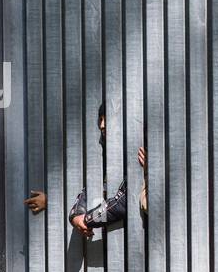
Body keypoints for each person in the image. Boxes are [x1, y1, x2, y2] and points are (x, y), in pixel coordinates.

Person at [22, 102, 147, 238]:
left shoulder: (142, 152)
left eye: (107, 119)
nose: (102, 125)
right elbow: (92, 190)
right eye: (100, 119)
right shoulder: (108, 158)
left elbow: (124, 202)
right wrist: (75, 215)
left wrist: (86, 219)